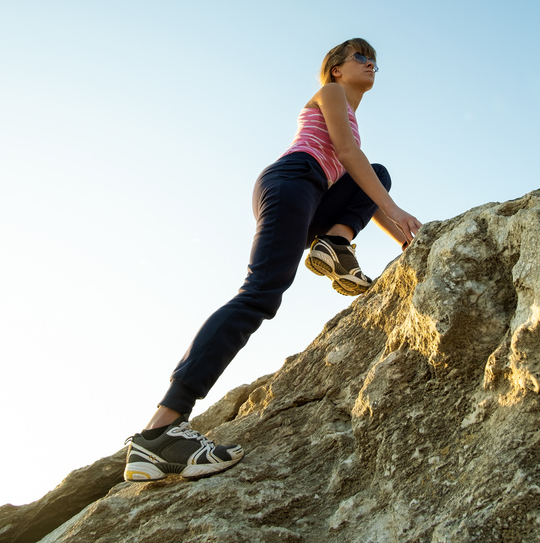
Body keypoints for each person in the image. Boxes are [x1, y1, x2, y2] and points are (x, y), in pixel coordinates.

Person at [123, 38, 422, 482]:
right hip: (293, 180)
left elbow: (363, 180)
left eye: (374, 58)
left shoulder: (352, 119)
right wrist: (396, 211)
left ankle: (334, 245)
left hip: (313, 191)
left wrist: (406, 236)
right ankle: (159, 432)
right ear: (335, 69)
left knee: (377, 174)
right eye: (360, 56)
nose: (371, 62)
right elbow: (346, 156)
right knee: (260, 294)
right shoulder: (331, 94)